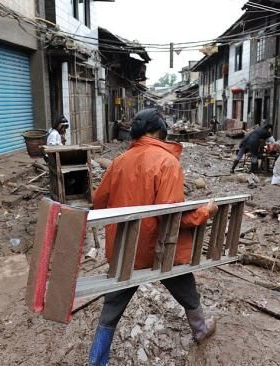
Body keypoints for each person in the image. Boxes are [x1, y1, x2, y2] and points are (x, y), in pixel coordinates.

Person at [89, 108, 218, 366]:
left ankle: (96, 362)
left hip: (126, 248)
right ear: (161, 131)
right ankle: (201, 328)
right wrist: (205, 211)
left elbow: (98, 202)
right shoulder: (167, 162)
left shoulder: (119, 161)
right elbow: (172, 216)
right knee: (182, 279)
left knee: (112, 308)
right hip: (159, 249)